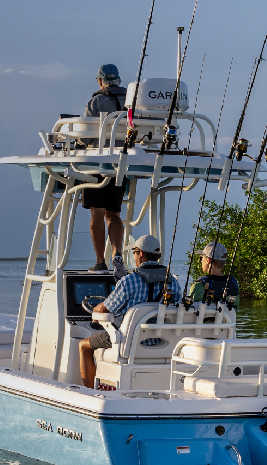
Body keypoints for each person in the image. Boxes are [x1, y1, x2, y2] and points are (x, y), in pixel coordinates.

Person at [78, 234, 180, 388]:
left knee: (84, 345)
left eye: (134, 253)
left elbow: (106, 309)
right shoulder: (174, 282)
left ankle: (88, 392)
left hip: (130, 343)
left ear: (141, 254)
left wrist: (96, 311)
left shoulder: (129, 281)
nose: (134, 257)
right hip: (163, 346)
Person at [81, 64, 129, 271]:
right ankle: (117, 253)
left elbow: (85, 137)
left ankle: (101, 262)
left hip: (98, 164)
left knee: (97, 213)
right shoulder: (131, 101)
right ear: (118, 80)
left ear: (100, 81)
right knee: (114, 214)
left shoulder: (96, 101)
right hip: (122, 163)